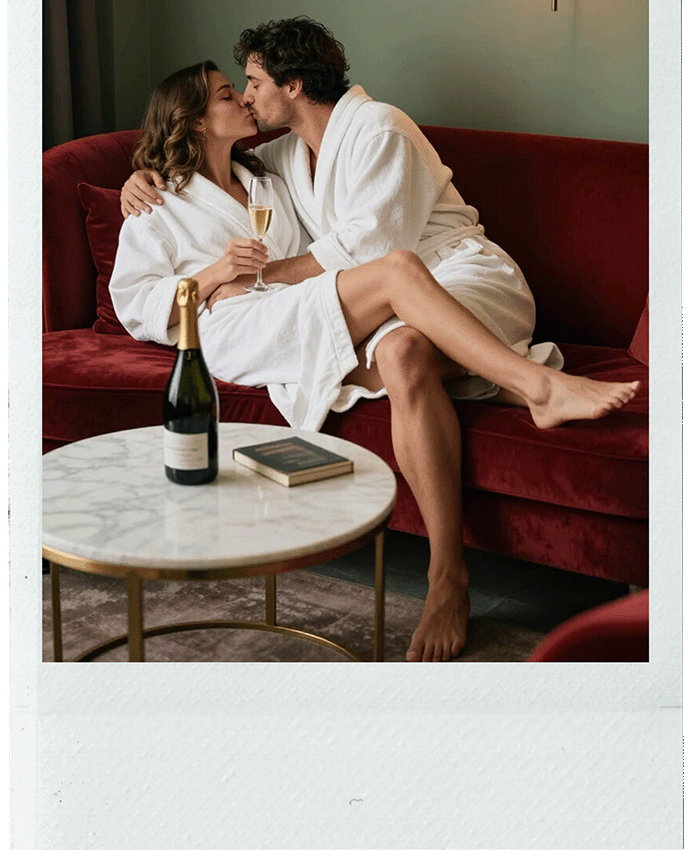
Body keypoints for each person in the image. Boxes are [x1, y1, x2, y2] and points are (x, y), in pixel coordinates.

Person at [117, 44, 639, 663]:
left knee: (403, 346)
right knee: (395, 270)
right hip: (232, 326)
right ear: (197, 120)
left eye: (248, 84)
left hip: (295, 305)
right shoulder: (160, 202)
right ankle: (534, 384)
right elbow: (134, 303)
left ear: (292, 86)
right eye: (231, 94)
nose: (244, 97)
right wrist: (206, 271)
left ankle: (452, 572)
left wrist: (260, 270)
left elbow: (326, 236)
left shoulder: (268, 173)